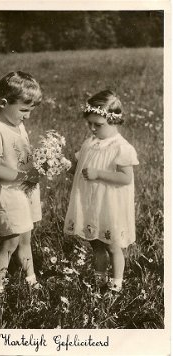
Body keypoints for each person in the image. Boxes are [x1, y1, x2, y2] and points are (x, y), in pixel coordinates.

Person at [64, 90, 139, 292]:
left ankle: (116, 284)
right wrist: (61, 163)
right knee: (95, 243)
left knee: (112, 245)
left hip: (110, 205)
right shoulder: (89, 144)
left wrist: (99, 174)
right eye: (89, 124)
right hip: (92, 203)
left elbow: (125, 177)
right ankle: (99, 281)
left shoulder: (121, 148)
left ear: (114, 121)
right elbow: (79, 170)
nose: (92, 128)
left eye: (98, 125)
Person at [0, 71, 42, 296]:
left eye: (30, 111)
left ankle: (31, 279)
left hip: (23, 191)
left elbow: (22, 154)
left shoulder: (16, 124)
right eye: (24, 110)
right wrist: (24, 176)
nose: (27, 116)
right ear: (4, 102)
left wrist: (41, 164)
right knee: (10, 242)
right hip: (8, 194)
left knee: (26, 237)